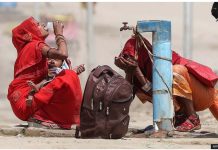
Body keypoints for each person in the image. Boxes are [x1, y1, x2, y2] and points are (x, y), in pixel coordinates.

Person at [115, 34, 218, 132]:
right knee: (140, 89)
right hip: (192, 98)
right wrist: (129, 72)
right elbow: (126, 97)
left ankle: (192, 117)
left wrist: (136, 69)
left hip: (205, 94)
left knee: (175, 71)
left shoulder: (161, 57)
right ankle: (181, 115)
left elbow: (156, 91)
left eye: (128, 57)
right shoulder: (138, 70)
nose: (127, 61)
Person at [7, 17, 83, 129]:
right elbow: (63, 54)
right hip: (26, 100)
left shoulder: (28, 48)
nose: (43, 25)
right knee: (68, 76)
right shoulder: (36, 45)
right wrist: (59, 34)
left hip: (23, 100)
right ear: (31, 33)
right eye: (37, 25)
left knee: (68, 76)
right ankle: (40, 118)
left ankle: (43, 117)